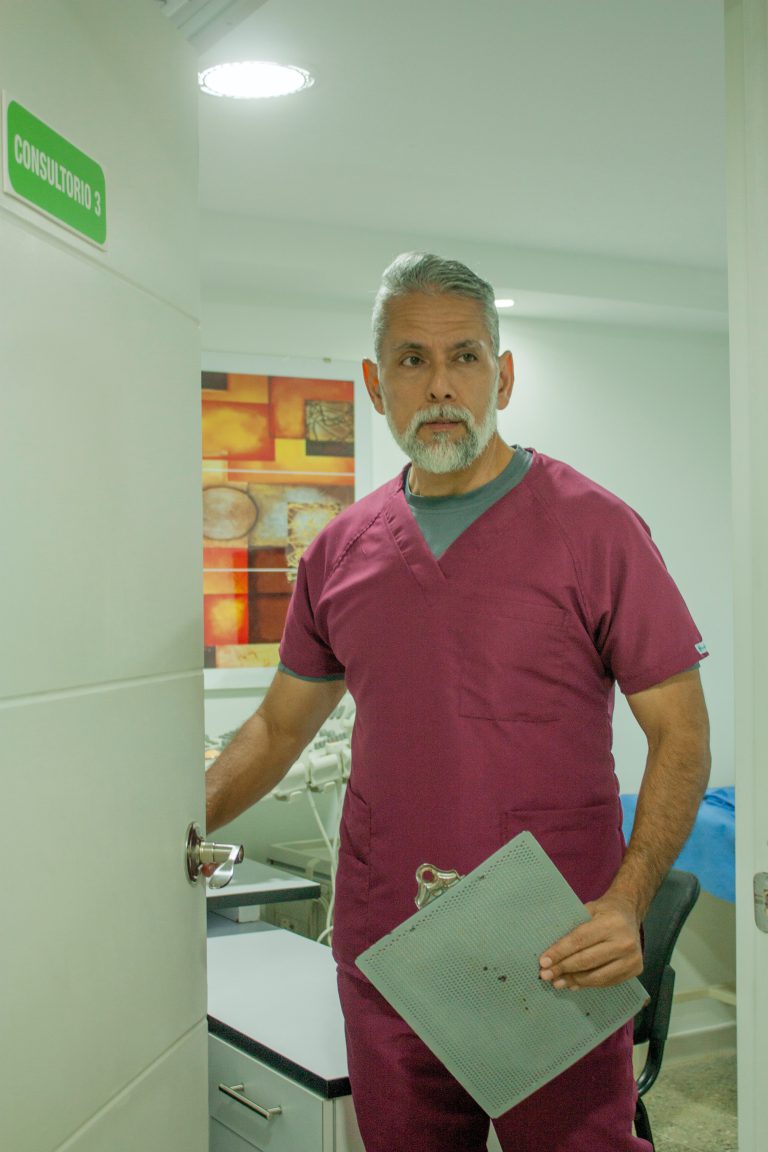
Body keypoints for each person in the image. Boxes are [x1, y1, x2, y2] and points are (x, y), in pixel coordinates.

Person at [205, 253, 711, 1151]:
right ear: (374, 383)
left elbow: (679, 734)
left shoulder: (595, 529)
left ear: (503, 374)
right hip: (388, 942)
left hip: (554, 943)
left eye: (465, 357)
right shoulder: (340, 554)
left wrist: (628, 902)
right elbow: (281, 726)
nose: (440, 386)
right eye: (410, 360)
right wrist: (177, 826)